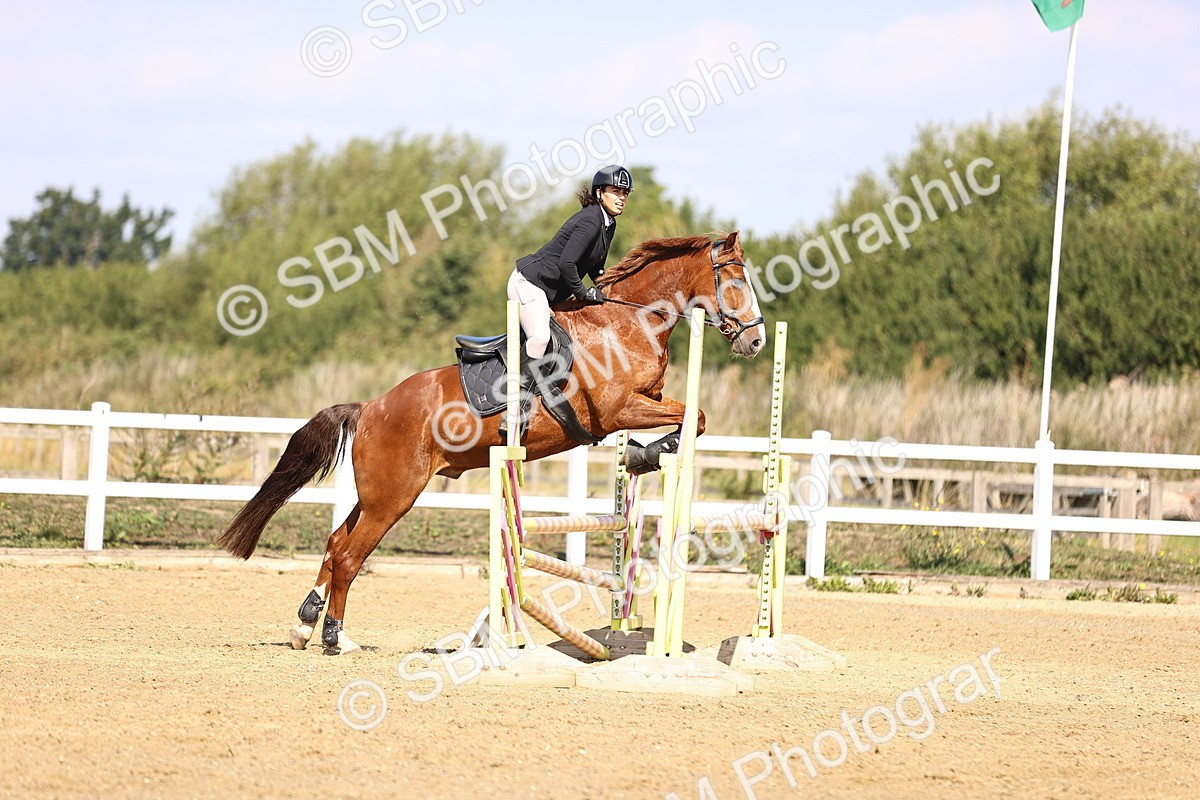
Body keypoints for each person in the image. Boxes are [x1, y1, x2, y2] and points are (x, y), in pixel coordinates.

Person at [503, 165, 633, 421]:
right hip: (528, 284)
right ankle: (515, 407)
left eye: (625, 193)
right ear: (599, 194)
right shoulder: (590, 220)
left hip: (549, 293)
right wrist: (584, 293)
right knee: (540, 338)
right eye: (615, 191)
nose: (621, 198)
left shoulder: (608, 224)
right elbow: (567, 264)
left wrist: (611, 290)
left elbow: (595, 267)